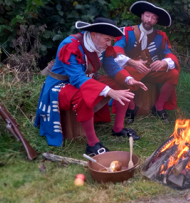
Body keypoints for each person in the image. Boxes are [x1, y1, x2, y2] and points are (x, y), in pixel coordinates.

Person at [34, 17, 147, 156]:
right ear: (94, 35)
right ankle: (92, 144)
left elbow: (111, 67)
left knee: (120, 84)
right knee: (84, 95)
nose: (109, 43)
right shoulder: (70, 45)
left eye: (111, 40)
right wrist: (109, 91)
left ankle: (118, 128)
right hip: (61, 85)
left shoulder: (103, 46)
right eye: (107, 39)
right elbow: (76, 78)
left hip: (84, 80)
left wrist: (128, 80)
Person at [113, 1, 180, 123]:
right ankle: (131, 107)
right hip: (131, 71)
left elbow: (168, 53)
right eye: (148, 16)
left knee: (174, 73)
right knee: (120, 73)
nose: (149, 20)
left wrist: (164, 62)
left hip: (151, 71)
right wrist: (132, 62)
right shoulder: (127, 32)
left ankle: (158, 107)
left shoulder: (161, 36)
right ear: (142, 16)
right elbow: (117, 50)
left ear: (156, 21)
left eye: (153, 18)